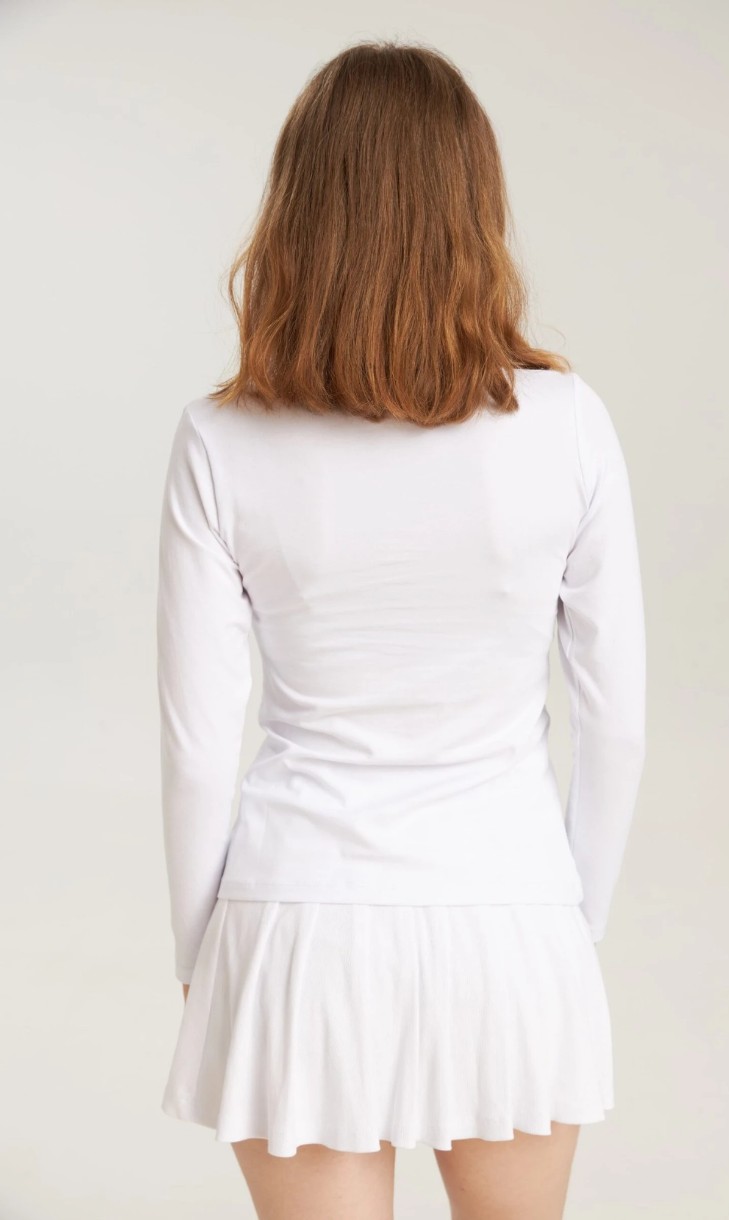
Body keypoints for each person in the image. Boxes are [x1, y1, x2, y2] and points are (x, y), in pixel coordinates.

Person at [156, 38, 646, 1220]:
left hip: (295, 915)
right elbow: (617, 722)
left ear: (298, 208)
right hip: (511, 911)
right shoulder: (571, 424)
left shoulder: (220, 439)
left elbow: (196, 747)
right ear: (475, 205)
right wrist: (566, 921)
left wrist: (202, 952)